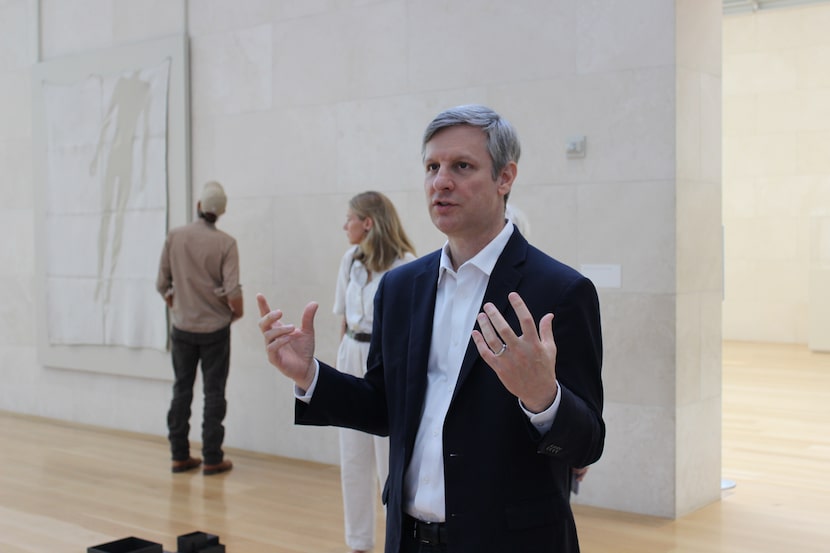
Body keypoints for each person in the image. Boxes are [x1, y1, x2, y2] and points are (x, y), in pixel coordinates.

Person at [257, 104, 604, 552]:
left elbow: (587, 444)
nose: (441, 181)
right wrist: (310, 375)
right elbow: (383, 407)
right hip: (410, 538)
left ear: (505, 178)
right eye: (432, 167)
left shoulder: (559, 291)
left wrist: (544, 399)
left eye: (462, 166)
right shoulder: (401, 288)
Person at [335, 191, 417, 553]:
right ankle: (358, 543)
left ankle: (396, 541)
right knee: (352, 456)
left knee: (389, 460)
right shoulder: (349, 259)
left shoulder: (404, 265)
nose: (345, 225)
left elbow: (413, 329)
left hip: (386, 361)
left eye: (350, 218)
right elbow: (343, 318)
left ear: (367, 223)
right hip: (350, 353)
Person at [156, 180, 243, 476]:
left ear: (198, 207)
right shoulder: (226, 243)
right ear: (221, 212)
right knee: (214, 393)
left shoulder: (175, 236)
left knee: (181, 389)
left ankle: (179, 455)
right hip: (216, 330)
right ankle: (212, 457)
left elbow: (161, 284)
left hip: (182, 328)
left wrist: (178, 305)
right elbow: (233, 292)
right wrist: (235, 314)